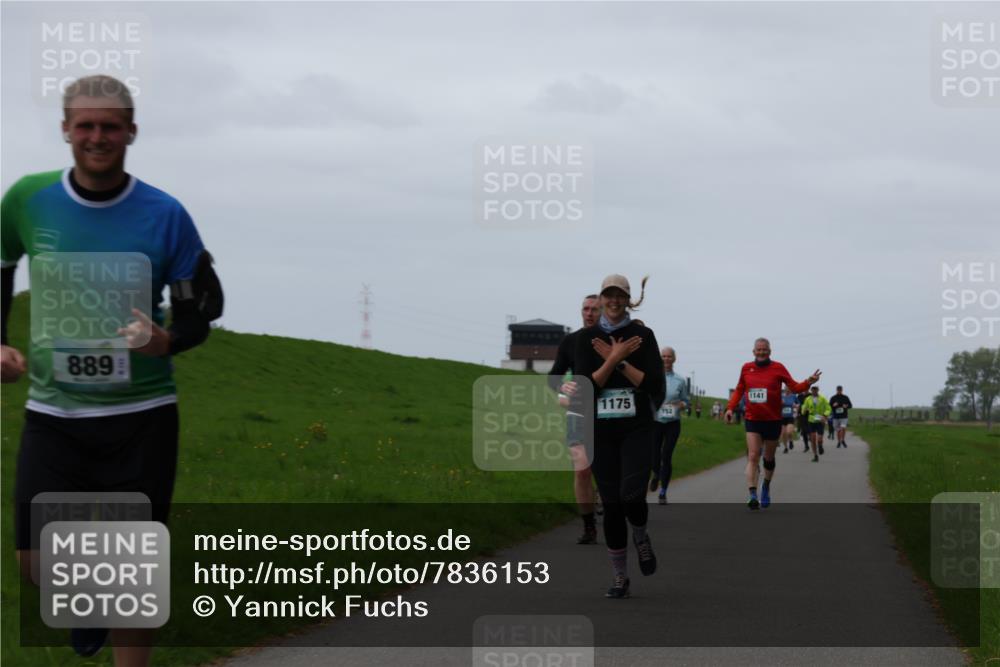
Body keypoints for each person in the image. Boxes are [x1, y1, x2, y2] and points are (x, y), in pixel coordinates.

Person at [1, 75, 223, 666]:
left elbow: (203, 306)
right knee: (32, 561)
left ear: (131, 132)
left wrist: (168, 340)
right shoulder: (27, 199)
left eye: (110, 126)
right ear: (66, 130)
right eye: (86, 125)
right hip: (55, 414)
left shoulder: (165, 214)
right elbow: (1, 265)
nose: (97, 137)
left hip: (142, 416)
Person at [574, 274, 664, 598]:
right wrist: (612, 358)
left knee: (631, 496)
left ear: (628, 300)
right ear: (601, 299)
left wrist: (620, 362)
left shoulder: (643, 336)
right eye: (608, 295)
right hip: (601, 429)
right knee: (612, 504)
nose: (614, 301)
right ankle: (619, 577)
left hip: (637, 427)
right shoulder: (586, 339)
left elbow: (653, 385)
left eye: (620, 295)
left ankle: (640, 535)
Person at [725, 338, 820, 509]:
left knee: (768, 458)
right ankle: (752, 495)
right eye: (758, 349)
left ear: (770, 351)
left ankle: (766, 486)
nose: (761, 352)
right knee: (753, 455)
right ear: (753, 351)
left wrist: (808, 381)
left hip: (773, 420)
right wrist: (730, 408)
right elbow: (739, 389)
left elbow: (795, 387)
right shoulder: (746, 368)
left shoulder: (778, 368)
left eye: (764, 349)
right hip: (753, 419)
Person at [549, 294, 602, 544]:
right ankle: (589, 526)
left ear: (604, 312)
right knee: (582, 470)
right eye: (585, 309)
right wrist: (562, 386)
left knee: (606, 470)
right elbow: (553, 377)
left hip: (606, 413)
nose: (589, 313)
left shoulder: (612, 341)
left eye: (594, 309)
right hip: (577, 412)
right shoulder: (571, 341)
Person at [649, 346, 689, 505]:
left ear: (674, 359)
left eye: (669, 356)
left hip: (672, 423)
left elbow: (686, 401)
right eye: (663, 356)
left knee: (666, 455)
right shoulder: (653, 377)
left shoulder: (680, 380)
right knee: (654, 455)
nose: (666, 359)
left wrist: (680, 405)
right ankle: (656, 474)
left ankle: (663, 492)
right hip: (656, 422)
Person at [800, 386, 832, 462]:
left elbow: (828, 408)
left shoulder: (822, 398)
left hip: (820, 420)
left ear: (818, 390)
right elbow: (803, 407)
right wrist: (804, 410)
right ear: (811, 390)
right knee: (813, 438)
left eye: (815, 389)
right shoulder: (808, 399)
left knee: (819, 438)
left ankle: (820, 445)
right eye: (813, 390)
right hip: (811, 420)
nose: (814, 391)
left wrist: (825, 415)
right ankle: (815, 455)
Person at [779, 388, 798, 453]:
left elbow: (798, 404)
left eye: (788, 388)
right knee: (783, 433)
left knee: (789, 432)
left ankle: (791, 441)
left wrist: (796, 406)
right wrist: (780, 404)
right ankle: (785, 447)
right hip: (782, 417)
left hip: (790, 416)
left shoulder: (793, 396)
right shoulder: (781, 396)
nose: (787, 390)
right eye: (786, 388)